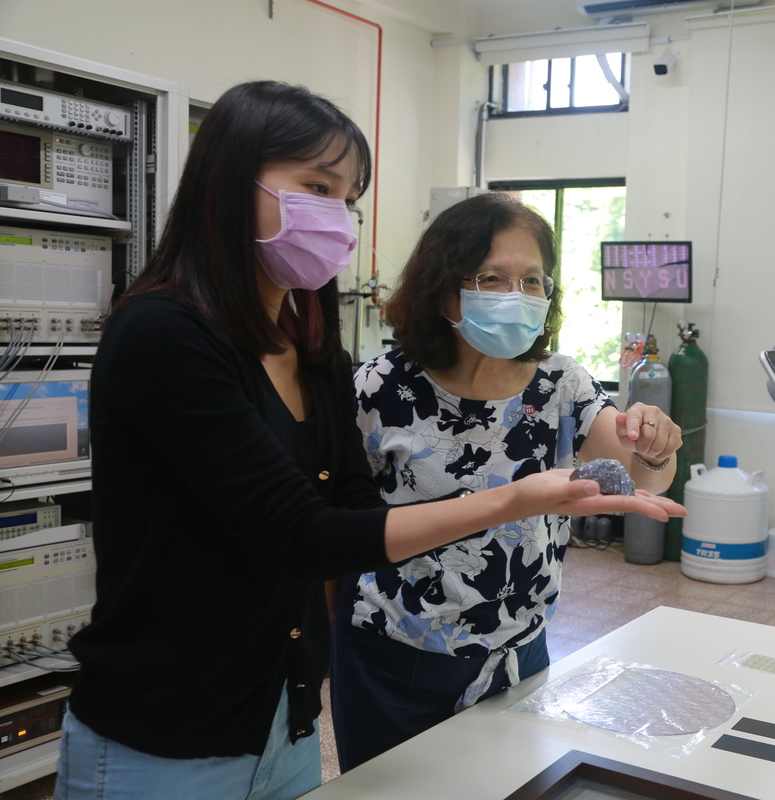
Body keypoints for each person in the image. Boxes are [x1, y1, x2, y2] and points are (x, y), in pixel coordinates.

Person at [57, 82, 683, 800]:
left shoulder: (311, 351)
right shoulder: (166, 336)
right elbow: (306, 537)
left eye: (348, 199)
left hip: (284, 718)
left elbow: (352, 512)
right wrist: (513, 499)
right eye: (318, 188)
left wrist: (650, 454)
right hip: (171, 730)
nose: (339, 220)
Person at [329, 193, 683, 771]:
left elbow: (641, 471)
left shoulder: (560, 383)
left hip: (520, 646)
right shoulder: (379, 387)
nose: (514, 298)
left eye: (532, 282)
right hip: (397, 651)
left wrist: (655, 440)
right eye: (490, 278)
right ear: (444, 288)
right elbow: (336, 528)